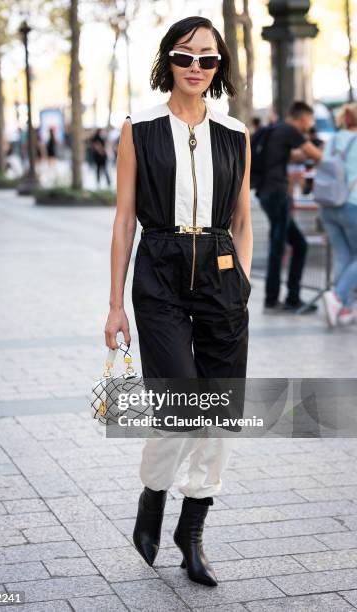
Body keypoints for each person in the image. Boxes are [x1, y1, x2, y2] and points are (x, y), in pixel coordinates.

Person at [104, 16, 252, 587]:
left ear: (219, 68)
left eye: (207, 59)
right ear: (167, 59)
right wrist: (114, 305)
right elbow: (123, 220)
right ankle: (153, 495)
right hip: (160, 269)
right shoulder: (138, 127)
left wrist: (241, 278)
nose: (196, 67)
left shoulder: (234, 131)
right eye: (185, 56)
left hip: (219, 272)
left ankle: (192, 533)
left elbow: (242, 217)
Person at [257, 101, 323, 313]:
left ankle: (288, 297)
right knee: (278, 246)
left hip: (266, 193)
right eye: (309, 121)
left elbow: (293, 156)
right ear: (303, 118)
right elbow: (316, 155)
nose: (309, 126)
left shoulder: (275, 129)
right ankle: (274, 299)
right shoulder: (290, 130)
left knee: (297, 244)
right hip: (277, 193)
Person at [320, 103, 357, 327]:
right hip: (352, 204)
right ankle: (337, 296)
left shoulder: (332, 140)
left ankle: (342, 308)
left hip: (328, 205)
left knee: (344, 256)